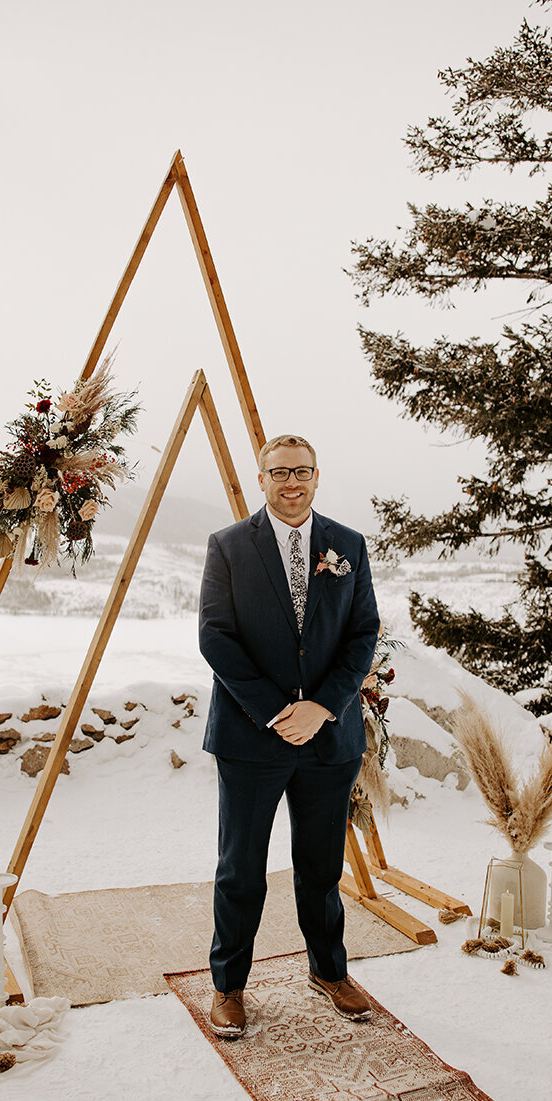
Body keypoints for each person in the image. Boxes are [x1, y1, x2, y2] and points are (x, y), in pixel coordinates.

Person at [198, 433, 381, 1038]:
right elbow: (215, 637)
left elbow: (362, 636)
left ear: (318, 476)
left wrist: (323, 708)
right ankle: (228, 985)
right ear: (262, 479)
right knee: (241, 868)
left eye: (301, 471)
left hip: (329, 739)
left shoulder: (348, 545)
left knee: (321, 866)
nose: (291, 482)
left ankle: (330, 971)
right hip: (253, 737)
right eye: (279, 473)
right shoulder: (227, 546)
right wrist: (279, 711)